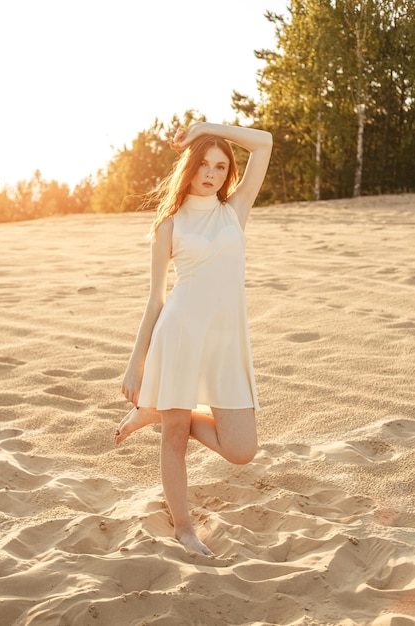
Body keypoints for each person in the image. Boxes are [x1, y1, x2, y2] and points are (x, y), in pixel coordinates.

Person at [114, 121, 273, 555]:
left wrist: (207, 127)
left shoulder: (235, 209)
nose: (211, 173)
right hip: (181, 334)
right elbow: (156, 300)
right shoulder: (169, 225)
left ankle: (156, 412)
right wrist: (136, 363)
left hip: (226, 342)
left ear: (229, 175)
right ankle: (184, 528)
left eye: (221, 167)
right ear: (189, 166)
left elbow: (265, 143)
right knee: (177, 437)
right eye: (204, 163)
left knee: (242, 450)